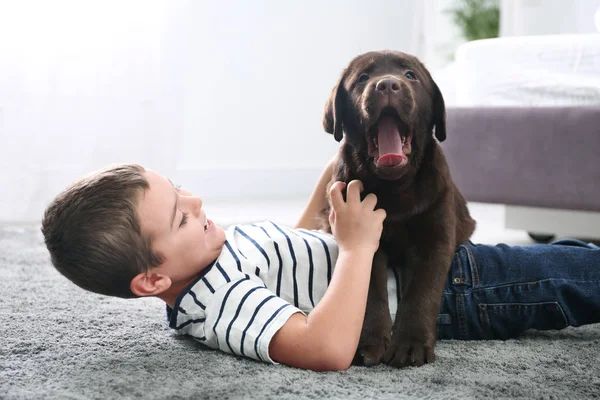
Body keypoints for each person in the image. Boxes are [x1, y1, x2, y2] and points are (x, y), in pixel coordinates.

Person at [41, 159, 600, 371]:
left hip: (420, 261)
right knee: (571, 278)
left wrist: (332, 187)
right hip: (447, 292)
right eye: (179, 216)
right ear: (154, 280)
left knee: (574, 260)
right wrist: (357, 249)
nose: (195, 203)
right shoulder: (218, 303)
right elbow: (325, 348)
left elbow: (300, 242)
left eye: (180, 189)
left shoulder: (211, 255)